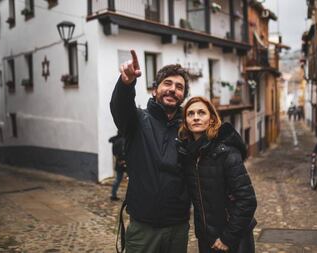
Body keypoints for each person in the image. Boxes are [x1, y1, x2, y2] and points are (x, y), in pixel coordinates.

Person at [110, 50, 191, 253]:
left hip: (177, 228)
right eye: (168, 84)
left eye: (179, 87)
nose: (173, 90)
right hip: (143, 228)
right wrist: (126, 83)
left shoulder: (188, 130)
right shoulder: (137, 121)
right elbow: (120, 108)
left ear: (183, 96)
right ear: (155, 90)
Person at [177, 96, 257, 253]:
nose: (196, 117)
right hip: (207, 240)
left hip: (233, 239)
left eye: (201, 113)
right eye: (190, 114)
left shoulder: (226, 153)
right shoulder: (189, 155)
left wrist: (228, 238)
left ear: (212, 119)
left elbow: (247, 200)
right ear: (186, 121)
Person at [108, 133, 127, 201]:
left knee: (118, 179)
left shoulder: (115, 140)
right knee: (130, 180)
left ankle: (113, 195)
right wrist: (123, 160)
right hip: (124, 162)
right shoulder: (122, 140)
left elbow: (114, 153)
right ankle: (129, 197)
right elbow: (123, 152)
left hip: (119, 162)